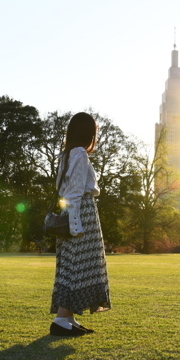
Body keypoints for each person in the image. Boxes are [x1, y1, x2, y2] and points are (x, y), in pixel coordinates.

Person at [49, 112, 111, 337]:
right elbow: (74, 194)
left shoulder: (67, 155)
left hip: (73, 213)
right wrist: (76, 228)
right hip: (80, 214)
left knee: (70, 267)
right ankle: (60, 320)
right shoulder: (80, 154)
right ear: (89, 133)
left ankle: (68, 318)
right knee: (77, 268)